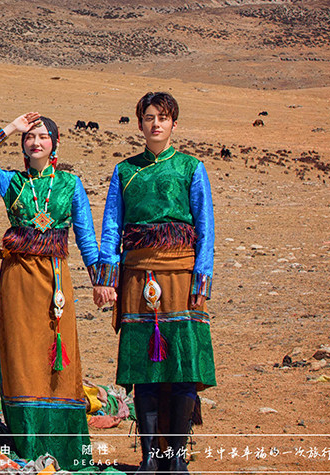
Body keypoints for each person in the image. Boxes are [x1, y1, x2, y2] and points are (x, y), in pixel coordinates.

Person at [0, 112, 104, 469]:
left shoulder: (70, 184)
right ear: (23, 145)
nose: (36, 142)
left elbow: (86, 238)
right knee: (21, 361)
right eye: (29, 137)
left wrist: (100, 279)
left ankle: (64, 449)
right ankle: (26, 446)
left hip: (55, 280)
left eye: (43, 136)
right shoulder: (11, 182)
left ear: (55, 143)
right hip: (17, 281)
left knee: (58, 360)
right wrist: (10, 127)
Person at [94, 92, 216, 473]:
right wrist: (107, 279)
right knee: (143, 368)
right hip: (136, 277)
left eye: (163, 118)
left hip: (182, 277)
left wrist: (202, 279)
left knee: (183, 365)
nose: (156, 124)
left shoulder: (190, 168)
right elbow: (111, 226)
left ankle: (176, 459)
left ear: (174, 123)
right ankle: (150, 459)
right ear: (140, 124)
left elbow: (205, 227)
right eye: (149, 118)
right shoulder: (125, 172)